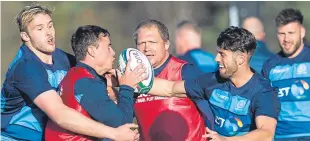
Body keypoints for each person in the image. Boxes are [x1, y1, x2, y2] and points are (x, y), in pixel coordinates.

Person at [1, 4, 138, 141]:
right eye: (40, 29)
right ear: (25, 36)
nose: (49, 33)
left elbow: (89, 71)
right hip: (13, 137)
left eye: (50, 25)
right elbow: (60, 114)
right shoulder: (26, 68)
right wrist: (113, 133)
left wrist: (116, 79)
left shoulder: (60, 57)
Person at [149, 26, 280, 141]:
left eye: (222, 54)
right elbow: (170, 88)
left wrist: (226, 140)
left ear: (241, 59)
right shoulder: (213, 80)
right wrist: (137, 82)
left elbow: (266, 134)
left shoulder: (264, 92)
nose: (216, 59)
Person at [45, 25, 145, 140]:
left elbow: (123, 114)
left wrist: (132, 90)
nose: (113, 52)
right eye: (108, 47)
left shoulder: (79, 76)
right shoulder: (86, 83)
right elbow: (121, 124)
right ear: (92, 51)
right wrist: (127, 87)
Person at [133, 19, 211, 141]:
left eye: (152, 42)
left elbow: (210, 112)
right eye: (141, 43)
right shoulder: (134, 77)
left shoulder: (185, 71)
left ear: (166, 44)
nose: (146, 48)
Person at [262, 8, 310, 141]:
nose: (286, 39)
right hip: (282, 136)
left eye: (291, 33)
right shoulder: (270, 66)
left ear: (302, 32)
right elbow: (265, 106)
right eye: (281, 33)